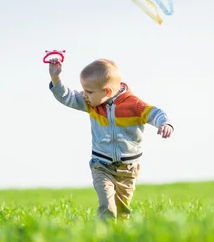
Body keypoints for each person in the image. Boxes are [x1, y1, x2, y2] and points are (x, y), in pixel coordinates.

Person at [48, 57, 173, 222]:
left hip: (127, 170)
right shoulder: (91, 103)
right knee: (107, 206)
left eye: (89, 91)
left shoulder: (133, 104)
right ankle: (103, 235)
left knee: (122, 212)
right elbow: (67, 97)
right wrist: (55, 78)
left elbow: (154, 113)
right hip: (101, 166)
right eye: (84, 90)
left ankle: (119, 239)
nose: (84, 94)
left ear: (106, 91)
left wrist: (165, 123)